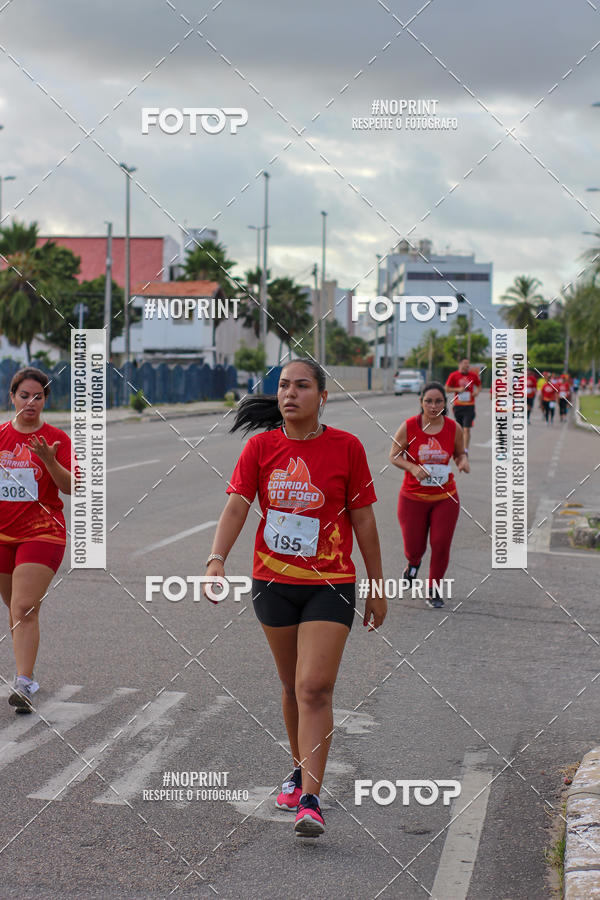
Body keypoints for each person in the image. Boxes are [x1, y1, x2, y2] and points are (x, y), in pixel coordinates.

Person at [205, 359, 386, 837]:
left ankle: (311, 798)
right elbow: (236, 506)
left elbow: (364, 520)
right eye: (284, 385)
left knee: (314, 688)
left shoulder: (347, 448)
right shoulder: (260, 447)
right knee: (291, 687)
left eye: (302, 386)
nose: (289, 393)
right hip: (273, 584)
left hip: (331, 584)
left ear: (322, 396)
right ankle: (297, 768)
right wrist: (216, 559)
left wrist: (377, 586)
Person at [0, 368, 72, 712]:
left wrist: (49, 460)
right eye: (24, 395)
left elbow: (71, 486)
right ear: (12, 397)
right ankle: (25, 673)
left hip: (43, 531)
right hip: (3, 535)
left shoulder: (56, 439)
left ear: (45, 400)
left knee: (23, 606)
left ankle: (24, 683)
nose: (31, 402)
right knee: (16, 608)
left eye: (38, 396)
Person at [390, 382, 469, 609]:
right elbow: (394, 455)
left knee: (440, 544)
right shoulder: (409, 426)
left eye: (438, 401)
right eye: (429, 401)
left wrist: (463, 462)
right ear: (421, 402)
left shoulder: (454, 428)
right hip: (412, 498)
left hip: (446, 497)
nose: (433, 406)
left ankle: (434, 588)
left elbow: (459, 453)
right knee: (414, 548)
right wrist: (412, 468)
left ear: (445, 403)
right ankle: (413, 564)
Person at [445, 358, 481, 452]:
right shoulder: (453, 375)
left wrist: (476, 392)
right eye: (465, 363)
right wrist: (457, 389)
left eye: (468, 363)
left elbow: (479, 386)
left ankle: (465, 450)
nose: (467, 365)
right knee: (459, 429)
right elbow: (447, 389)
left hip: (470, 405)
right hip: (458, 406)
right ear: (460, 364)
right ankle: (459, 448)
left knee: (467, 428)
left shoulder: (473, 375)